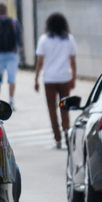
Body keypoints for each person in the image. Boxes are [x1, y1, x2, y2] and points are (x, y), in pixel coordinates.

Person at [34, 13, 78, 149]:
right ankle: (66, 130)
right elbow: (73, 61)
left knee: (52, 108)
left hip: (49, 79)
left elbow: (40, 62)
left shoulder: (44, 40)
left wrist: (36, 78)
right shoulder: (69, 39)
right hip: (65, 77)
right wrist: (73, 77)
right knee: (64, 106)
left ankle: (57, 138)